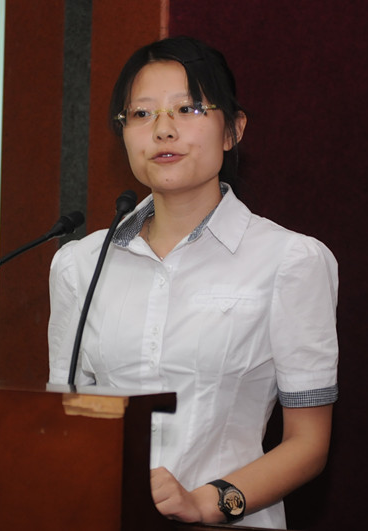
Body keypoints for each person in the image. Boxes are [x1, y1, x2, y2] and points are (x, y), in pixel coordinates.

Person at [48, 36, 338, 528]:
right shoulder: (79, 264)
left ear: (232, 130)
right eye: (142, 114)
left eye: (189, 108)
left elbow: (308, 443)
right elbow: (66, 422)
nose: (163, 129)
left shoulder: (291, 261)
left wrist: (207, 502)